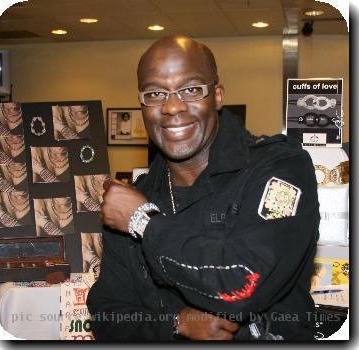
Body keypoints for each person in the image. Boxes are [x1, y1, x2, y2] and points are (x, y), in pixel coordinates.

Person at [87, 35, 320, 341]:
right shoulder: (138, 195)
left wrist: (143, 221)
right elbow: (107, 316)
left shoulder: (280, 168)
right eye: (155, 92)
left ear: (218, 96)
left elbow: (244, 283)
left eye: (191, 89)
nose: (172, 106)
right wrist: (175, 323)